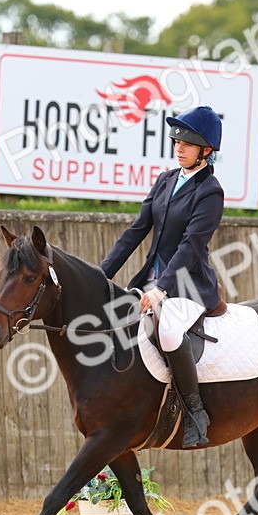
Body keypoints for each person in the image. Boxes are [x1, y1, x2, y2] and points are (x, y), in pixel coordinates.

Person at [100, 105, 225, 448]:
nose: (179, 148)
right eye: (176, 141)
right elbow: (135, 232)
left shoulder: (210, 192)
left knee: (168, 331)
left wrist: (162, 290)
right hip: (150, 278)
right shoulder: (165, 180)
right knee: (112, 319)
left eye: (187, 143)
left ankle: (195, 413)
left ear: (206, 151)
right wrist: (100, 274)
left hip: (187, 285)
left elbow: (190, 246)